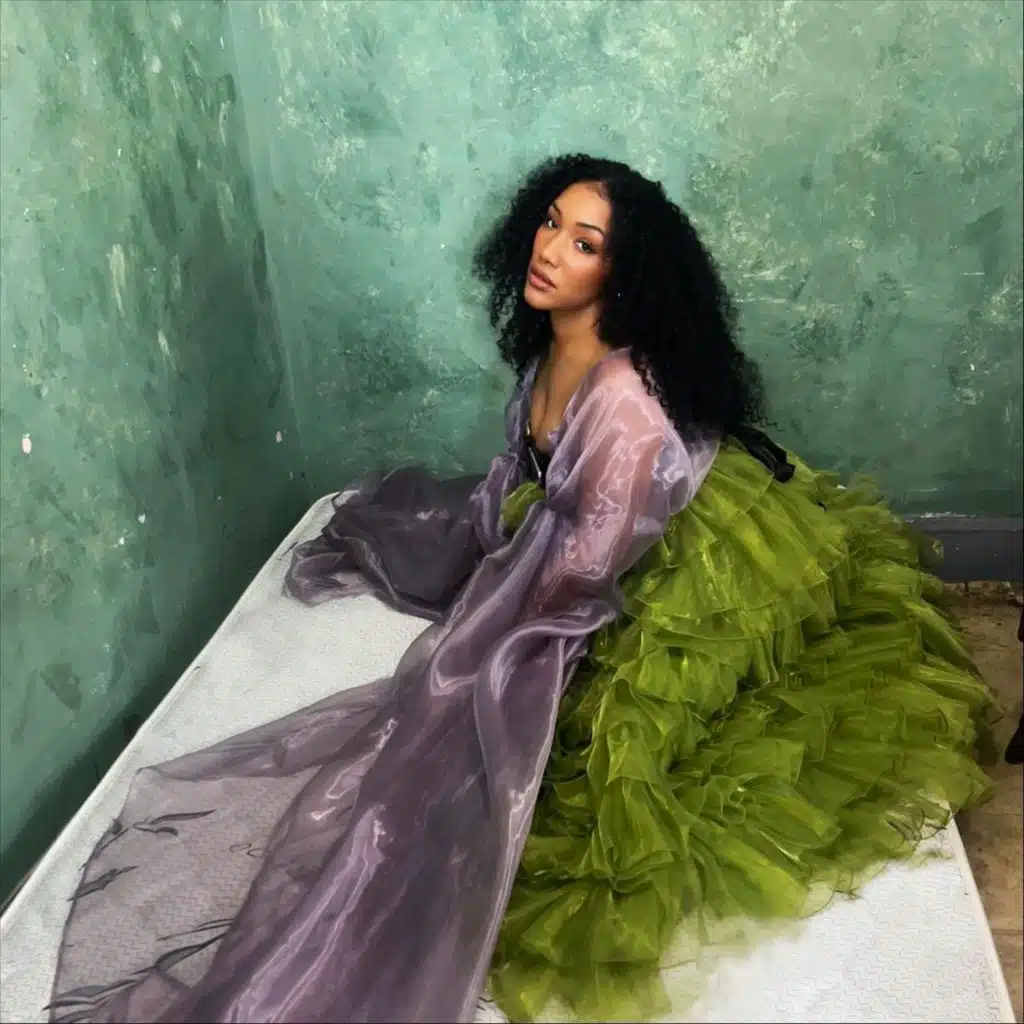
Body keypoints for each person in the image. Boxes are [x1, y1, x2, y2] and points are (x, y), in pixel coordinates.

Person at [49, 155, 999, 1024]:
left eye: (585, 243)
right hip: (598, 527)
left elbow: (586, 567)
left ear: (621, 275)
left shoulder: (625, 402)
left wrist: (497, 646)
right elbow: (534, 480)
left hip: (673, 554)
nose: (549, 250)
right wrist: (502, 558)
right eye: (550, 223)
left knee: (569, 752)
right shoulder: (553, 345)